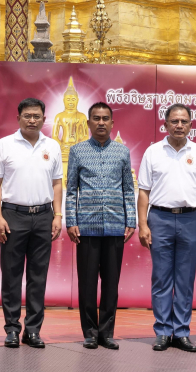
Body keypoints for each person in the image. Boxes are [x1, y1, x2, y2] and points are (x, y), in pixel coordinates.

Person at [137, 104, 196, 353]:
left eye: (184, 121)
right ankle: (162, 331)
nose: (179, 125)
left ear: (191, 125)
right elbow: (144, 191)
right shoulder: (153, 152)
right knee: (161, 278)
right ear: (165, 124)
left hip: (190, 220)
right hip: (159, 219)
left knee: (185, 280)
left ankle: (181, 332)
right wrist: (142, 224)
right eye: (174, 121)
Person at [0, 98, 63, 349]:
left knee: (37, 276)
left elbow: (57, 183)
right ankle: (11, 329)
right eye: (27, 116)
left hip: (43, 216)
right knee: (11, 275)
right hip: (12, 216)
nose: (32, 120)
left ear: (44, 118)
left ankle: (33, 330)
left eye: (37, 116)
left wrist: (57, 215)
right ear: (18, 117)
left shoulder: (52, 146)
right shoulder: (4, 145)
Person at [66, 102, 136, 350]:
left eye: (106, 118)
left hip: (116, 226)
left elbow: (129, 188)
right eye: (96, 118)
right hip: (86, 226)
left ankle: (106, 332)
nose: (101, 123)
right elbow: (70, 190)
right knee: (86, 283)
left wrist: (132, 220)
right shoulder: (77, 151)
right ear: (88, 123)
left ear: (112, 122)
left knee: (111, 283)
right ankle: (90, 332)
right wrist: (71, 221)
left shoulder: (122, 152)